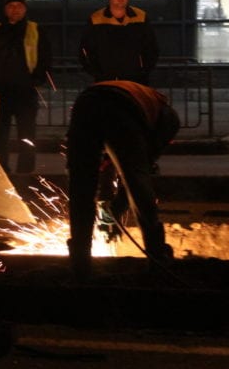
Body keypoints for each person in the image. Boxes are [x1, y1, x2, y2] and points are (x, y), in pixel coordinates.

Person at [64, 80, 180, 281]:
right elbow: (136, 173)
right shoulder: (168, 120)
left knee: (81, 185)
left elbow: (109, 167)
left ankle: (80, 264)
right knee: (137, 181)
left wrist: (113, 209)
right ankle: (157, 255)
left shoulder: (150, 108)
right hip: (122, 107)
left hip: (86, 105)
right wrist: (115, 209)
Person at [0, 0, 52, 174]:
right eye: (11, 6)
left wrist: (36, 80)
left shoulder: (35, 29)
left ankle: (25, 172)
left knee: (26, 135)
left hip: (24, 92)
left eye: (19, 6)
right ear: (5, 9)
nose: (15, 9)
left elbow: (45, 57)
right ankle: (3, 171)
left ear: (25, 9)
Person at [78, 0, 159, 85]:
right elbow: (85, 50)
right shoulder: (96, 19)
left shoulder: (141, 17)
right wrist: (98, 73)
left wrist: (143, 72)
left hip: (136, 82)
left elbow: (152, 48)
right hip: (105, 82)